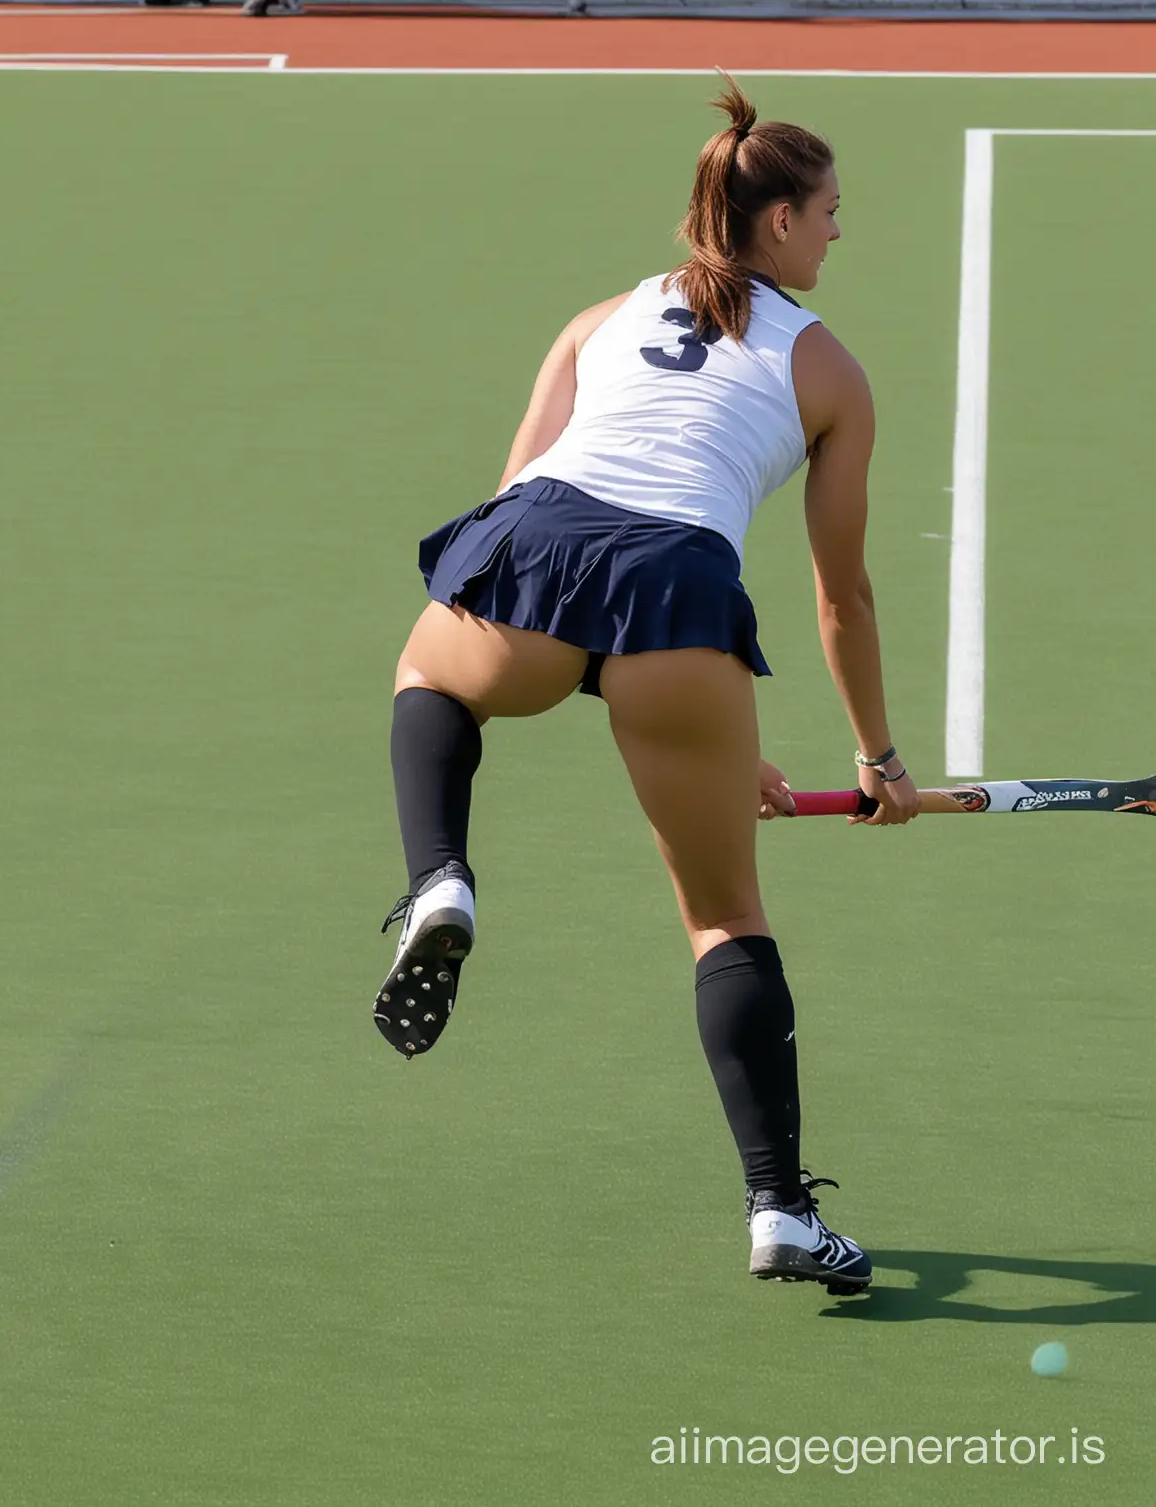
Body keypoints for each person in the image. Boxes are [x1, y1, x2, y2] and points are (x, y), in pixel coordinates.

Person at [374, 78, 921, 1295]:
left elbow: (518, 510)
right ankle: (780, 1209)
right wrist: (877, 759)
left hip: (538, 553)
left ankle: (440, 877)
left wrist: (709, 734)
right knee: (725, 922)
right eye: (831, 209)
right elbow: (844, 598)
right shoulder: (830, 370)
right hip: (679, 595)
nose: (840, 229)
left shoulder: (597, 319)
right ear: (777, 222)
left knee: (429, 672)